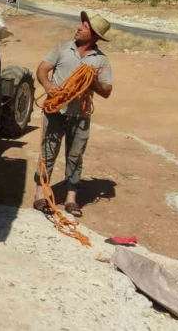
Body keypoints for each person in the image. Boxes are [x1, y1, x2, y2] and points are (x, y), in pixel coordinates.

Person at [33, 12, 113, 218]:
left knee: (75, 157)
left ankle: (70, 199)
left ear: (94, 35)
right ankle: (40, 194)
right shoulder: (62, 48)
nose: (79, 27)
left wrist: (91, 79)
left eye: (84, 26)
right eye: (81, 24)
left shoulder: (101, 60)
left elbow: (106, 91)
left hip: (81, 115)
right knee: (48, 153)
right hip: (56, 111)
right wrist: (49, 86)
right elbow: (42, 70)